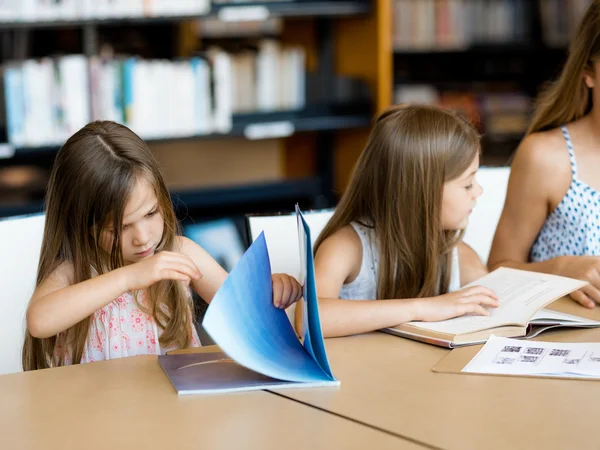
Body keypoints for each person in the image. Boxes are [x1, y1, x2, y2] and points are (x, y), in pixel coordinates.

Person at [23, 121, 301, 370]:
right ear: (82, 224)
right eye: (119, 228)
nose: (142, 237)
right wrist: (128, 278)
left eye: (150, 213)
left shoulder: (180, 253)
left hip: (172, 415)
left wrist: (271, 291)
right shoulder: (74, 271)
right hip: (98, 418)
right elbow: (39, 321)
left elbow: (243, 311)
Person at [304, 104, 498, 338]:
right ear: (419, 192)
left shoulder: (460, 257)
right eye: (467, 184)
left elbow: (499, 316)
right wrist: (422, 308)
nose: (478, 191)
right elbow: (309, 319)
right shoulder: (346, 248)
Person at [489, 0, 600, 309]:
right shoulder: (547, 157)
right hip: (564, 343)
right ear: (588, 72)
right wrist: (560, 269)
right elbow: (496, 270)